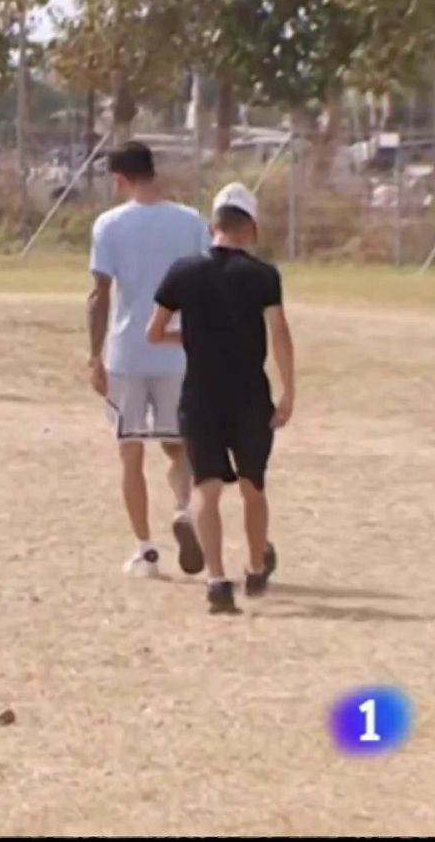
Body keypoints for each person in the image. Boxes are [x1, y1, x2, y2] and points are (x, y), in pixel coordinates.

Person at [147, 182, 295, 615]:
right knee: (253, 486)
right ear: (250, 228)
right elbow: (279, 332)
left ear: (213, 226)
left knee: (206, 489)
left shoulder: (183, 271)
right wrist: (289, 391)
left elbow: (153, 333)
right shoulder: (264, 275)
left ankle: (216, 581)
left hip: (201, 396)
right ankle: (253, 567)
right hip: (249, 395)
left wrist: (190, 337)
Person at [87, 141, 213, 579]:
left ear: (119, 179)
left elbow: (99, 294)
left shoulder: (109, 225)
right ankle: (184, 509)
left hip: (128, 352)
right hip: (178, 352)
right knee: (180, 446)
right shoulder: (191, 222)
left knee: (131, 452)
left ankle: (145, 550)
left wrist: (93, 354)